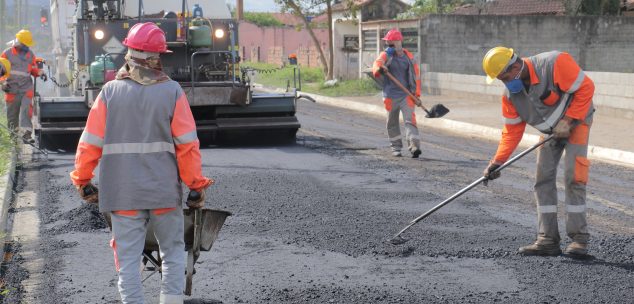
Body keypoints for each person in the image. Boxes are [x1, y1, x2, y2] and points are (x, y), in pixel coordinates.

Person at [70, 23, 213, 304]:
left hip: (122, 195)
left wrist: (83, 179)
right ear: (156, 57)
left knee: (127, 257)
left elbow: (90, 143)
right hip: (162, 194)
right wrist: (196, 186)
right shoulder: (172, 92)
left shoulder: (110, 93)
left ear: (129, 53)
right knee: (172, 251)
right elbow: (187, 146)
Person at [481, 47, 594, 257]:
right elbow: (512, 132)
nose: (503, 82)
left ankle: (579, 240)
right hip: (550, 131)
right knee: (542, 179)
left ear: (515, 67)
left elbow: (586, 87)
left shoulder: (554, 63)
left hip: (577, 122)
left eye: (504, 76)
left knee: (574, 177)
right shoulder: (510, 96)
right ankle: (547, 239)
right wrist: (497, 162)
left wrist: (568, 120)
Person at [372, 29, 422, 158]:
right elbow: (377, 64)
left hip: (406, 95)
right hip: (390, 95)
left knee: (410, 120)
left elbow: (416, 77)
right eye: (387, 42)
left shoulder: (409, 58)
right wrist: (380, 68)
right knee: (392, 122)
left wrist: (416, 95)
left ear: (398, 41)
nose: (388, 43)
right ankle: (396, 148)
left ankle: (414, 146)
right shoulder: (386, 55)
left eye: (390, 41)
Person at [1, 29, 44, 142]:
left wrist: (40, 73)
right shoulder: (7, 54)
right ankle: (13, 137)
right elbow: (1, 71)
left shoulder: (30, 55)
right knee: (12, 115)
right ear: (19, 43)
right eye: (25, 44)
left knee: (26, 110)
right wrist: (3, 82)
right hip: (11, 89)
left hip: (26, 88)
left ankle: (26, 134)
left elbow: (34, 70)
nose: (27, 47)